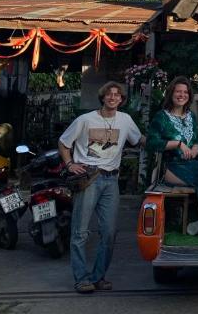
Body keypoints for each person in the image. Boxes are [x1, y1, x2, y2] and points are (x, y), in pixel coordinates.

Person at [58, 81, 142, 294]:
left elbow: (140, 140)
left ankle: (98, 277)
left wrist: (166, 140)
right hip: (90, 178)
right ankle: (81, 278)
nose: (113, 98)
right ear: (103, 97)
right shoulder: (85, 120)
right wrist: (70, 164)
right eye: (109, 94)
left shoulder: (125, 120)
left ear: (121, 100)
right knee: (80, 231)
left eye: (117, 95)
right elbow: (64, 142)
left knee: (109, 232)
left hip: (111, 180)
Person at [146, 77, 198, 241]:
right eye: (178, 91)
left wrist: (195, 148)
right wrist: (177, 144)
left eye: (185, 92)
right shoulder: (161, 117)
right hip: (173, 167)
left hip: (194, 163)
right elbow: (151, 143)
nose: (182, 95)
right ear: (171, 93)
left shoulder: (190, 116)